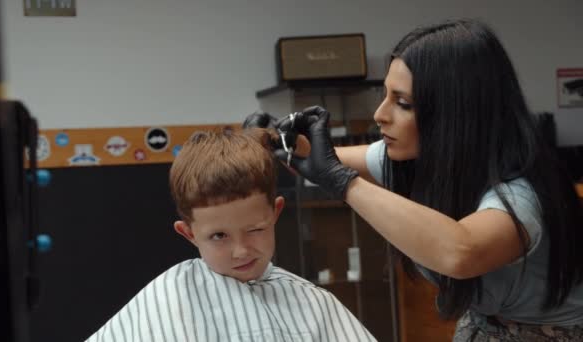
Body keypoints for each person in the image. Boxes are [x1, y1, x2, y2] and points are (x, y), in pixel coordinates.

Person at [245, 19, 583, 341]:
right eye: (386, 96)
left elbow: (460, 252)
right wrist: (277, 137)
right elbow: (316, 158)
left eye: (403, 103)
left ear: (456, 115)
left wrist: (340, 181)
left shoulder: (522, 198)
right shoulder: (428, 161)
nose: (380, 114)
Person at [85, 128, 376, 342]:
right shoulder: (166, 299)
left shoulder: (315, 305)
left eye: (255, 229)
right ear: (188, 233)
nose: (241, 250)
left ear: (275, 213)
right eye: (219, 236)